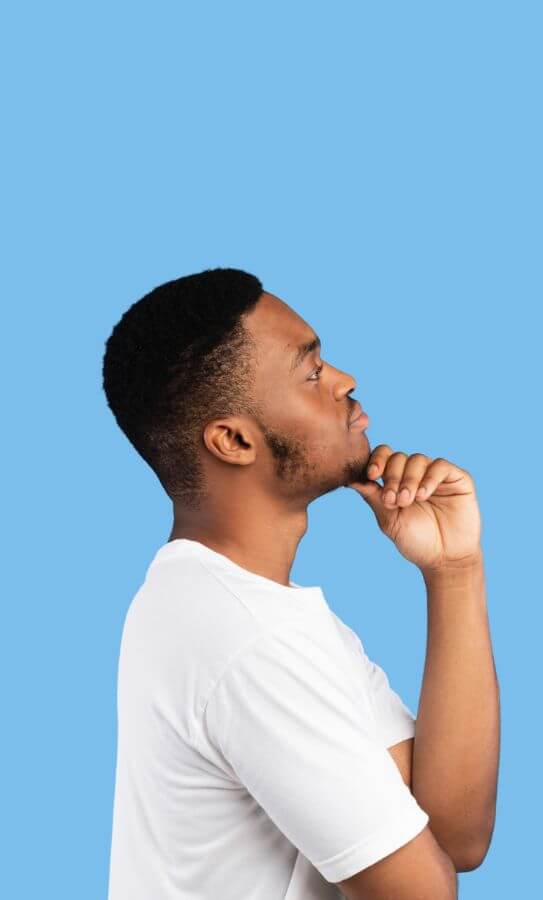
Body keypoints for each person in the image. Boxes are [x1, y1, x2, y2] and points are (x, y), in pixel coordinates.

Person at [102, 268, 498, 899]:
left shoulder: (226, 603)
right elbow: (423, 892)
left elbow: (454, 834)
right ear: (233, 440)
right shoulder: (250, 635)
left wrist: (454, 571)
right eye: (311, 372)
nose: (344, 381)